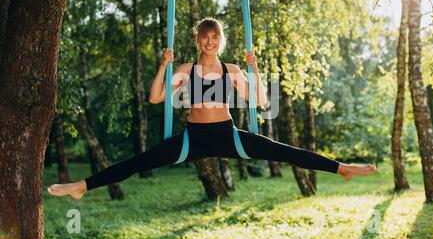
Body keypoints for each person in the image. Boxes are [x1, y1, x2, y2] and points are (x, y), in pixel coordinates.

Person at [48, 18, 376, 200]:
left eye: (214, 36)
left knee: (284, 151)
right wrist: (163, 64)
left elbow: (261, 100)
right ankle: (82, 187)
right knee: (140, 162)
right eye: (204, 36)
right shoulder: (185, 69)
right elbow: (155, 97)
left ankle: (340, 168)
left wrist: (255, 68)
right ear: (197, 40)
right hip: (193, 137)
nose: (209, 40)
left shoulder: (231, 70)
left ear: (221, 40)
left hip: (226, 134)